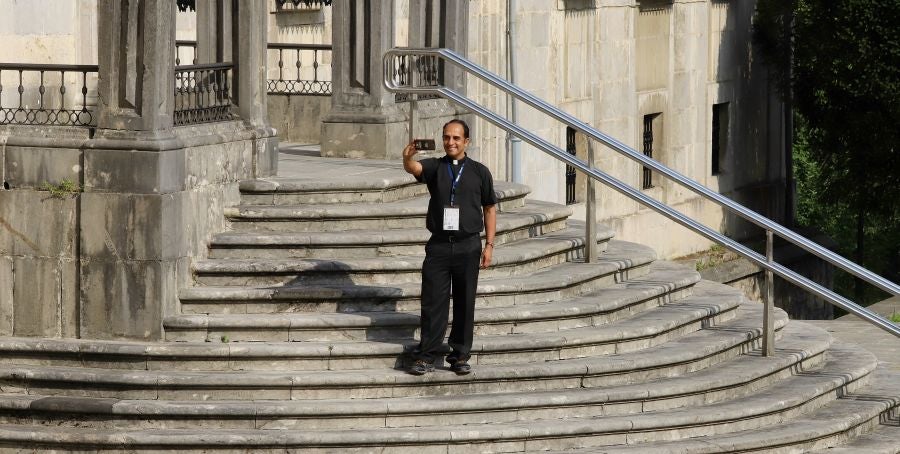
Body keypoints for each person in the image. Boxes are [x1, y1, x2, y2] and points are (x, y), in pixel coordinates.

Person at [402, 119, 497, 375]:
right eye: (446, 137)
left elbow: (489, 208)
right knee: (433, 303)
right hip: (440, 246)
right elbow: (414, 168)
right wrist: (408, 157)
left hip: (468, 245)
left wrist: (489, 244)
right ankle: (426, 356)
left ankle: (460, 355)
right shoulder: (436, 166)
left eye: (456, 138)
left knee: (466, 303)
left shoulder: (480, 172)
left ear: (467, 141)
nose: (450, 142)